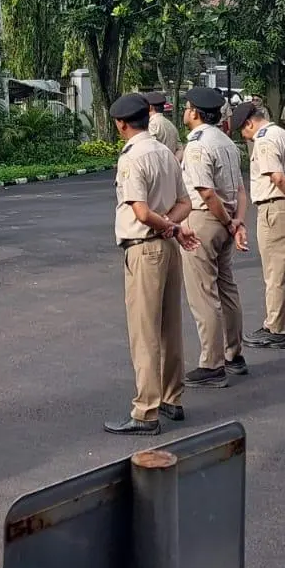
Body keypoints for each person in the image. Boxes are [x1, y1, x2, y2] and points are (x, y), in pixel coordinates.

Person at [104, 93, 197, 435]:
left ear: (121, 124)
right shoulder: (164, 153)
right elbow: (186, 203)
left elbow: (141, 212)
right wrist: (173, 226)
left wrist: (166, 226)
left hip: (144, 248)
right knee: (170, 327)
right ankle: (172, 398)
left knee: (144, 332)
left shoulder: (132, 157)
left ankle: (146, 411)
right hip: (168, 247)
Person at [177, 86, 249, 386]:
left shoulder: (197, 145)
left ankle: (212, 363)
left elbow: (206, 192)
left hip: (205, 219)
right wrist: (236, 222)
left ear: (195, 112)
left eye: (186, 108)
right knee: (226, 287)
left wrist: (228, 221)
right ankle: (234, 354)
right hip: (226, 218)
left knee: (203, 292)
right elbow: (241, 189)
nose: (184, 112)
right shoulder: (226, 142)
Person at [242, 104, 285, 350]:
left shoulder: (264, 140)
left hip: (276, 205)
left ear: (250, 123)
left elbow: (277, 177)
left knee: (275, 271)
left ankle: (275, 327)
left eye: (243, 130)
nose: (245, 136)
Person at [145, 92, 182, 157]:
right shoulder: (170, 124)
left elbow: (150, 151)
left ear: (150, 107)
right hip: (171, 161)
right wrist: (173, 161)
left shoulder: (152, 125)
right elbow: (180, 149)